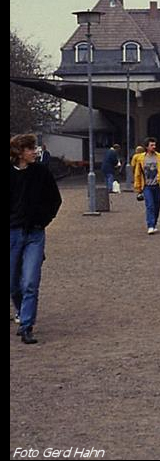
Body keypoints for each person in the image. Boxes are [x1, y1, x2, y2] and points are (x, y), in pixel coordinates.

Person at [10, 134, 62, 345]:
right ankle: (22, 311)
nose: (35, 152)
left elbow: (54, 200)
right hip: (12, 232)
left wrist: (42, 220)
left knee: (30, 281)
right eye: (30, 149)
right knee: (13, 283)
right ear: (19, 152)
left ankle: (26, 326)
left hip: (34, 233)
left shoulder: (41, 173)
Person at [133, 137, 160, 235]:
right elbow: (138, 173)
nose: (154, 147)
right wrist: (138, 187)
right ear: (146, 147)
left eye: (154, 145)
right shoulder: (141, 158)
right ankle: (150, 225)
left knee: (157, 205)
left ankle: (154, 223)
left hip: (158, 185)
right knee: (150, 205)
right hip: (146, 185)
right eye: (151, 145)